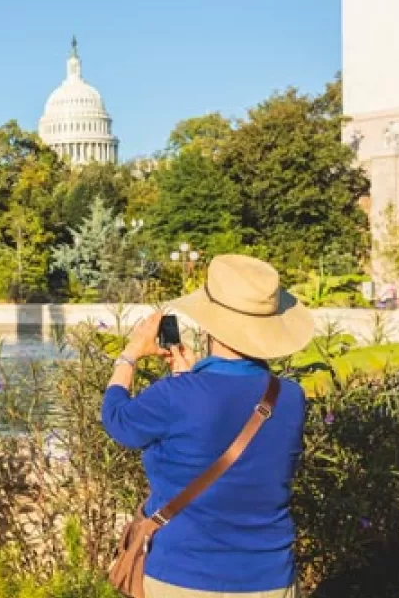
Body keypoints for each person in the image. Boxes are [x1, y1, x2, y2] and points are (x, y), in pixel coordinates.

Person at [102, 254, 312, 598]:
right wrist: (187, 378)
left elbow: (117, 421)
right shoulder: (290, 397)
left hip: (182, 575)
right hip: (269, 577)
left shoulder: (177, 395)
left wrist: (130, 356)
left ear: (209, 323)